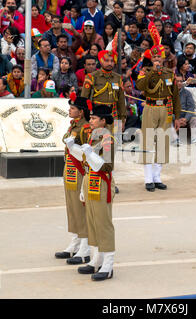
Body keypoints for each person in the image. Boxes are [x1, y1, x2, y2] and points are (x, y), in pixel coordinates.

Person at [75, 103, 116, 281]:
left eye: (93, 118)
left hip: (101, 182)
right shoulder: (94, 136)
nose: (90, 121)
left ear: (103, 121)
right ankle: (96, 260)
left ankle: (108, 265)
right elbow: (86, 163)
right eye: (90, 118)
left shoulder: (108, 139)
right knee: (92, 221)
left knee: (103, 224)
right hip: (90, 181)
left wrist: (91, 154)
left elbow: (107, 165)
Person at [136, 41, 181, 192]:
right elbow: (140, 87)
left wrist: (178, 116)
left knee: (162, 143)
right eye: (154, 57)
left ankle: (157, 177)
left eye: (159, 57)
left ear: (163, 58)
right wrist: (152, 72)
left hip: (166, 108)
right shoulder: (145, 71)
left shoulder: (170, 73)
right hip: (150, 107)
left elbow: (175, 96)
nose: (157, 59)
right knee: (148, 142)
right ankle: (148, 178)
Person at [56, 95, 92, 263]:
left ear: (81, 111)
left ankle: (85, 247)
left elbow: (88, 153)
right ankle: (75, 242)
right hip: (69, 170)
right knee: (72, 208)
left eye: (72, 108)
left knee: (81, 208)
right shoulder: (73, 125)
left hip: (80, 172)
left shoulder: (85, 128)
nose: (69, 110)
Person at [81, 50, 126, 128]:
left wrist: (122, 120)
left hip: (113, 115)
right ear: (101, 61)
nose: (109, 63)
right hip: (97, 116)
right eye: (107, 61)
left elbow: (121, 101)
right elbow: (84, 99)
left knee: (115, 139)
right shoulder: (92, 77)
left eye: (112, 61)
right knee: (97, 139)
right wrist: (85, 118)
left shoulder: (118, 78)